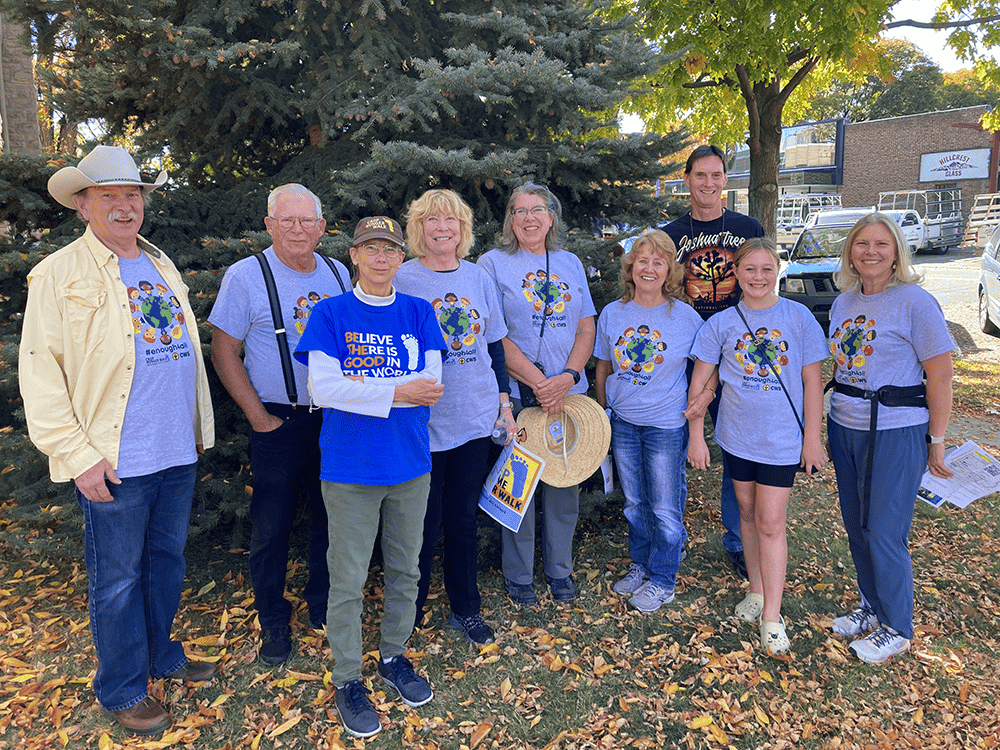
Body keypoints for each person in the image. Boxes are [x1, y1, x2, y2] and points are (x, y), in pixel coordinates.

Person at [19, 146, 216, 735]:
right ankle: (123, 686)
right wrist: (78, 457)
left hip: (175, 450)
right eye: (110, 197)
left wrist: (197, 427)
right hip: (114, 458)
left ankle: (160, 655)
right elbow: (40, 373)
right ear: (83, 205)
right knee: (118, 578)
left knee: (166, 563)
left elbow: (181, 356)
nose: (126, 207)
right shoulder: (59, 274)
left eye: (133, 195)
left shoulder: (161, 264)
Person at [294, 216, 445, 738]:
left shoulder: (419, 312)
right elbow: (323, 388)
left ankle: (395, 657)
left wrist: (364, 386)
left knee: (406, 571)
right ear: (354, 256)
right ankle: (346, 678)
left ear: (402, 258)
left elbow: (432, 384)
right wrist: (396, 392)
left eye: (390, 250)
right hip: (349, 468)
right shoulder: (330, 314)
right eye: (370, 249)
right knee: (349, 578)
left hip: (409, 464)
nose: (381, 258)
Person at [208, 184, 352, 666]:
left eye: (307, 220)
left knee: (330, 519)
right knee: (271, 528)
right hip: (278, 420)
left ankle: (322, 603)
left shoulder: (337, 272)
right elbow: (224, 351)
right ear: (269, 225)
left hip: (334, 420)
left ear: (321, 226)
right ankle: (272, 617)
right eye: (287, 220)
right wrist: (258, 417)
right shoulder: (245, 275)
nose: (297, 229)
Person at [688, 238, 827, 656]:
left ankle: (773, 615)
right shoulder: (721, 324)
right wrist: (697, 434)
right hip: (737, 437)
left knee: (770, 521)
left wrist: (812, 438)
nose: (759, 278)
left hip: (782, 441)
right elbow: (703, 381)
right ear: (736, 273)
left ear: (778, 270)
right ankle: (756, 590)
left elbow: (811, 382)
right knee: (746, 513)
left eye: (767, 269)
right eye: (750, 270)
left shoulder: (798, 317)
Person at [826, 213, 954, 664]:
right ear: (850, 252)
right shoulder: (843, 302)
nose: (870, 252)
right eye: (861, 244)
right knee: (857, 526)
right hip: (846, 425)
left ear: (897, 250)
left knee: (884, 530)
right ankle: (871, 607)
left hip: (897, 430)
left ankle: (897, 625)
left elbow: (939, 375)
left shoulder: (915, 302)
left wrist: (936, 439)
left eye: (881, 244)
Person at [394, 189, 516, 645]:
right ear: (418, 228)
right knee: (419, 523)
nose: (442, 228)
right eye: (432, 220)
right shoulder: (402, 280)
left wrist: (504, 404)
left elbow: (495, 347)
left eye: (451, 220)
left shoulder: (479, 277)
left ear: (462, 229)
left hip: (473, 419)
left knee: (463, 518)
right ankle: (412, 609)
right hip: (419, 424)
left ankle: (466, 608)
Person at [478, 183, 597, 605]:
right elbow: (494, 336)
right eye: (520, 210)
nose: (529, 218)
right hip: (518, 398)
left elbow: (586, 326)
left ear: (552, 217)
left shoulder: (571, 262)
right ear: (510, 219)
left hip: (568, 397)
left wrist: (567, 376)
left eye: (538, 210)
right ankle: (519, 575)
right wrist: (539, 383)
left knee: (565, 483)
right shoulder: (490, 264)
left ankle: (559, 570)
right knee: (519, 491)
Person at [662, 144, 766, 581]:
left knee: (737, 448)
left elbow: (761, 281)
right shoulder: (670, 235)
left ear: (726, 180)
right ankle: (670, 536)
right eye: (700, 175)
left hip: (736, 353)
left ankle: (739, 540)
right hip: (684, 352)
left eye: (716, 175)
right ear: (687, 179)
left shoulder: (747, 228)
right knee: (672, 445)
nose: (708, 183)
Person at [594, 231, 705, 613]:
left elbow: (708, 369)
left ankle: (663, 578)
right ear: (630, 267)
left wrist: (700, 404)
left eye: (659, 262)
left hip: (666, 426)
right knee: (635, 502)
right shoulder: (612, 313)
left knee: (664, 506)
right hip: (623, 423)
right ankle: (641, 565)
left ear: (670, 269)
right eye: (642, 260)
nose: (650, 268)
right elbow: (604, 366)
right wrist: (603, 409)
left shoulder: (685, 317)